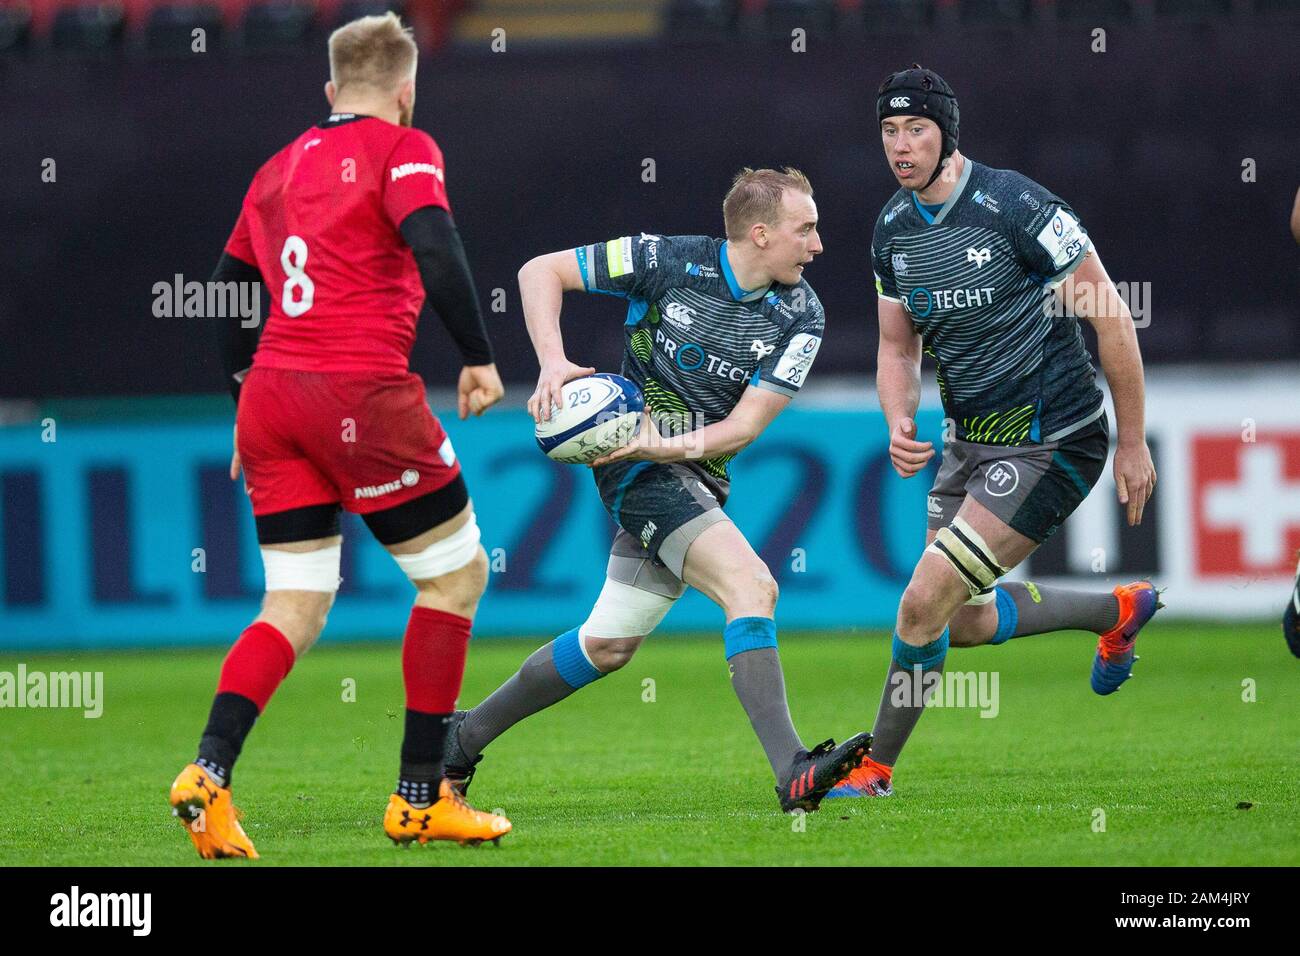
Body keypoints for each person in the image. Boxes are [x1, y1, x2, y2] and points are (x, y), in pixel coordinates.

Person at [170, 13, 510, 857]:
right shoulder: (407, 147)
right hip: (360, 389)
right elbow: (435, 242)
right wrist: (476, 356)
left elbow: (227, 288)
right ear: (406, 91)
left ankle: (208, 775)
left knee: (292, 604)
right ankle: (420, 799)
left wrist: (248, 396)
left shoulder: (278, 166)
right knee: (456, 579)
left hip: (274, 397)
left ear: (329, 91)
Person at [443, 168, 872, 813]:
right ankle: (792, 770)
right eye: (805, 228)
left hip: (681, 464)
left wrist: (657, 442)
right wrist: (554, 363)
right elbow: (540, 272)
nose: (818, 243)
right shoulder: (664, 260)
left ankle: (459, 739)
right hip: (636, 474)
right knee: (752, 587)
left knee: (608, 643)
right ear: (760, 233)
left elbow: (744, 428)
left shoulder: (801, 314)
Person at [831, 66, 1160, 800]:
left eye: (916, 129)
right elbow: (895, 346)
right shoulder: (892, 229)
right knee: (965, 622)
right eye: (888, 131)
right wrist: (896, 416)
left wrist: (1133, 442)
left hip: (1053, 438)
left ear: (947, 132)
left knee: (921, 602)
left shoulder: (1015, 205)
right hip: (967, 445)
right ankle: (1119, 610)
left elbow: (1110, 314)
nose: (901, 146)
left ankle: (874, 770)